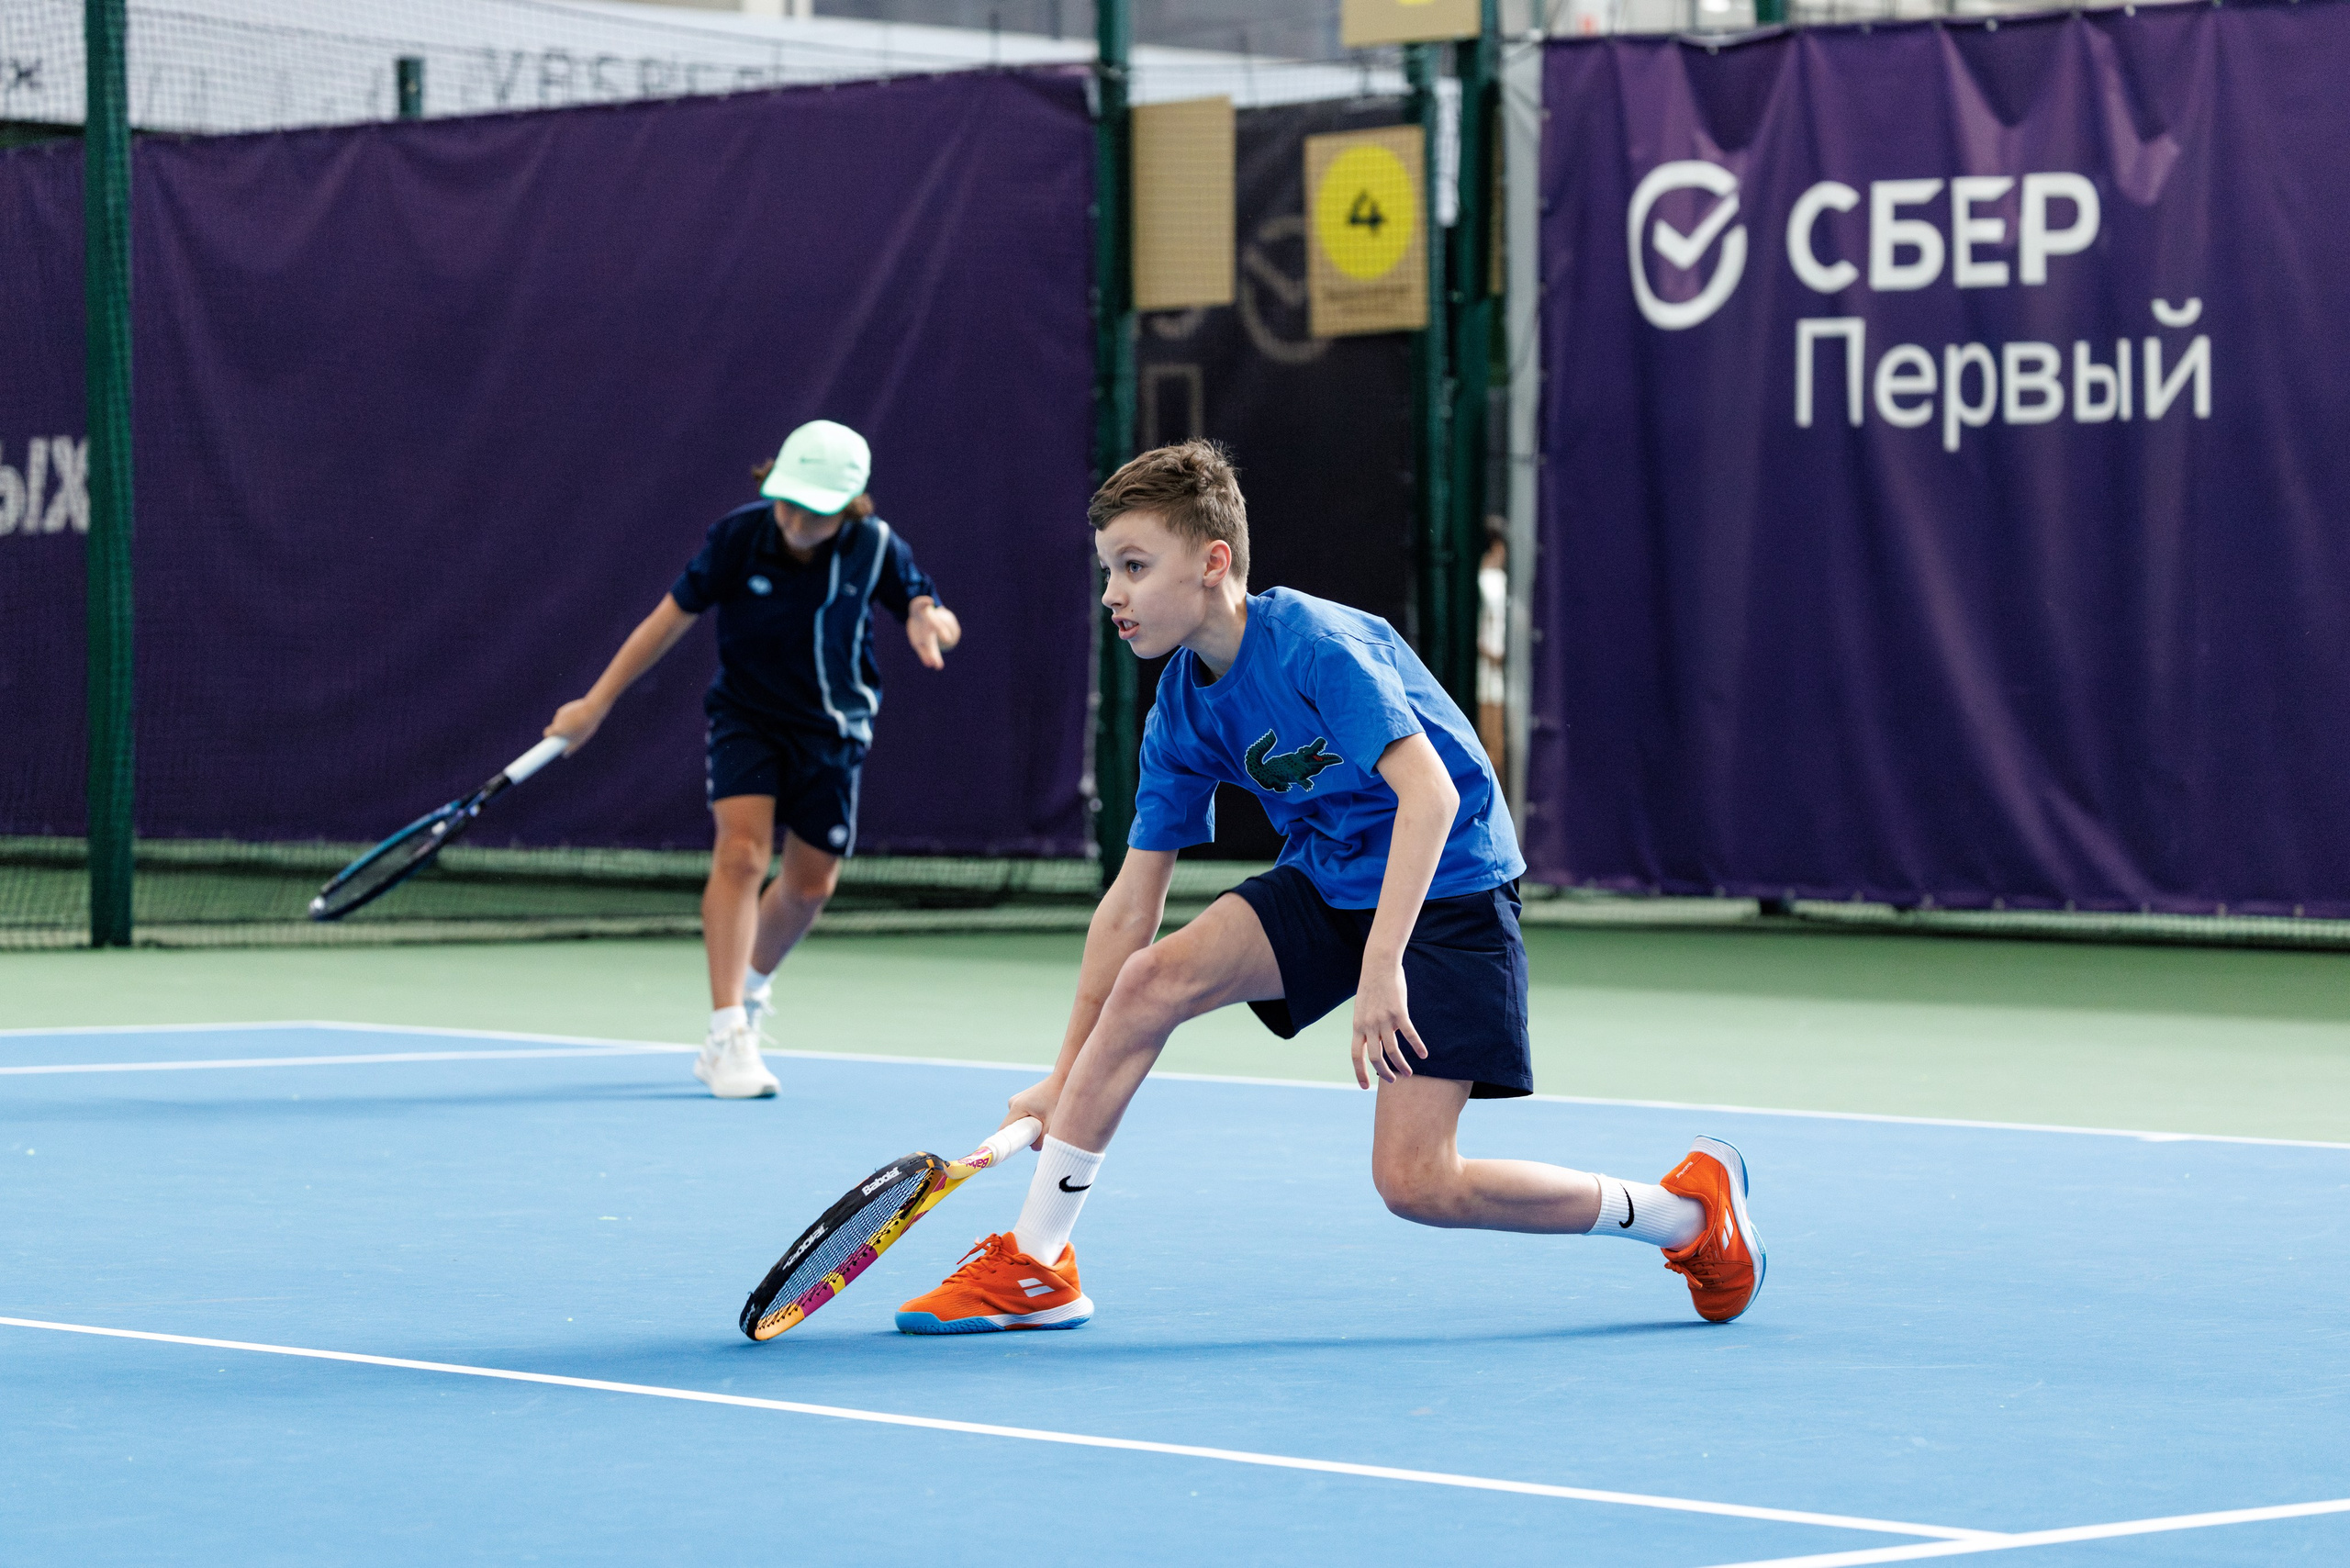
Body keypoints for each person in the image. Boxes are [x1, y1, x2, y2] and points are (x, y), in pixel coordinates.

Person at [894, 441, 1760, 1333]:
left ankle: (1684, 1216)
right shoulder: (1181, 709)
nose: (1112, 592)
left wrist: (1383, 966)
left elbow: (1432, 796)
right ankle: (1037, 1264)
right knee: (1149, 980)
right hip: (1333, 872)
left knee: (1417, 1183)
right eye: (1107, 570)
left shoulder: (1316, 646)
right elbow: (1129, 907)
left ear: (1213, 563)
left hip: (1450, 883)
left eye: (1135, 566)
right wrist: (1064, 1074)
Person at [546, 420, 959, 1099]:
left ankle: (752, 988)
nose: (794, 519)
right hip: (748, 720)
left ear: (850, 505)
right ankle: (727, 1032)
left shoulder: (876, 545)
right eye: (787, 500)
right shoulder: (739, 537)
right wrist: (595, 703)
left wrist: (929, 616)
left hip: (834, 732)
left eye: (814, 509)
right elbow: (665, 622)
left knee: (809, 888)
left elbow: (926, 606)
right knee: (740, 855)